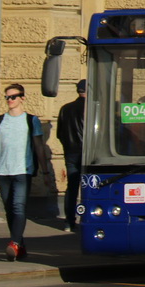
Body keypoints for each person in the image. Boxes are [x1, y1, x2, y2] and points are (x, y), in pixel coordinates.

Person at [0, 83, 45, 262]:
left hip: (23, 170)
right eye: (7, 97)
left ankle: (15, 243)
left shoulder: (31, 120)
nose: (10, 100)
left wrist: (45, 171)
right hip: (3, 171)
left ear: (22, 98)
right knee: (9, 210)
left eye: (13, 97)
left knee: (18, 207)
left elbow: (39, 146)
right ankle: (20, 246)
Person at [57, 79, 86, 232]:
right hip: (87, 153)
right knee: (89, 186)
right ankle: (86, 218)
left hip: (70, 152)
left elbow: (59, 133)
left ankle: (69, 221)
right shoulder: (92, 108)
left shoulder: (65, 109)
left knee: (72, 186)